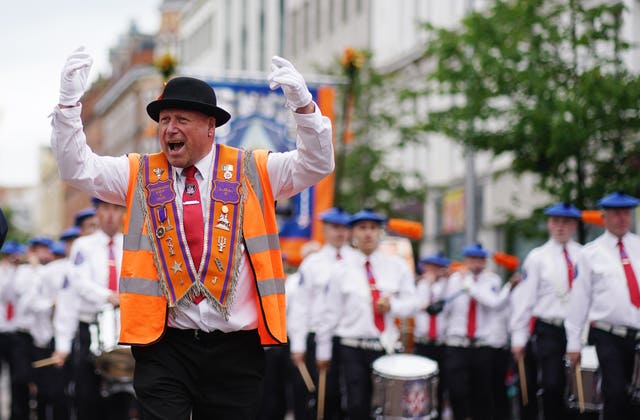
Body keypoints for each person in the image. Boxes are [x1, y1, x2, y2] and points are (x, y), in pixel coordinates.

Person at [51, 46, 334, 419]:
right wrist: (69, 106)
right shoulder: (139, 174)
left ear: (209, 127)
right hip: (165, 344)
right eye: (164, 120)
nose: (169, 129)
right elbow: (77, 169)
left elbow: (317, 162)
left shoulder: (255, 169)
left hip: (236, 349)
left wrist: (304, 108)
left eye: (181, 119)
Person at [315, 209, 416, 419]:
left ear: (379, 232)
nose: (368, 233)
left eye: (372, 228)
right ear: (352, 233)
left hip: (385, 345)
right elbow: (329, 313)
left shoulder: (397, 266)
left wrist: (393, 306)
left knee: (388, 407)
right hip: (352, 347)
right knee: (356, 404)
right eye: (362, 228)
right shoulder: (341, 270)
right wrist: (322, 351)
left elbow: (413, 303)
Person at [566, 192, 640, 420]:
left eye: (626, 213)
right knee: (615, 392)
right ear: (604, 217)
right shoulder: (590, 253)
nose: (622, 219)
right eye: (616, 214)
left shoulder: (638, 247)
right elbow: (579, 300)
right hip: (607, 333)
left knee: (634, 397)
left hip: (636, 334)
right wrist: (573, 342)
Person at [509, 202, 582, 419]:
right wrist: (519, 337)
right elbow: (525, 299)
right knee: (552, 384)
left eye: (567, 222)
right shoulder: (537, 257)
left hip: (578, 329)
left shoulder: (584, 255)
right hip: (549, 328)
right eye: (556, 221)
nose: (561, 227)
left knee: (579, 388)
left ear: (575, 226)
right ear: (549, 225)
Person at [288, 207, 355, 420]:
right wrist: (298, 344)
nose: (340, 233)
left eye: (344, 228)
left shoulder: (356, 262)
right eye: (335, 227)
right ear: (325, 229)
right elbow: (300, 306)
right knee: (314, 398)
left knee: (345, 397)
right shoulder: (312, 263)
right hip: (315, 337)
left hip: (347, 338)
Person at [441, 243, 516, 420]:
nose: (476, 263)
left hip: (482, 345)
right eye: (472, 259)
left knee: (481, 393)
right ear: (466, 260)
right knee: (456, 390)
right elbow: (445, 308)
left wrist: (468, 285)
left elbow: (493, 302)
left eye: (480, 260)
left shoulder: (492, 280)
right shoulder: (454, 280)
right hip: (457, 343)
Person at [413, 252, 451, 420]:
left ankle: (439, 414)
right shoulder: (419, 286)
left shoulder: (446, 286)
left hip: (441, 342)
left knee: (441, 383)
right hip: (423, 341)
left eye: (437, 267)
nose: (433, 270)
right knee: (421, 383)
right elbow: (416, 305)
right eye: (430, 266)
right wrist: (426, 283)